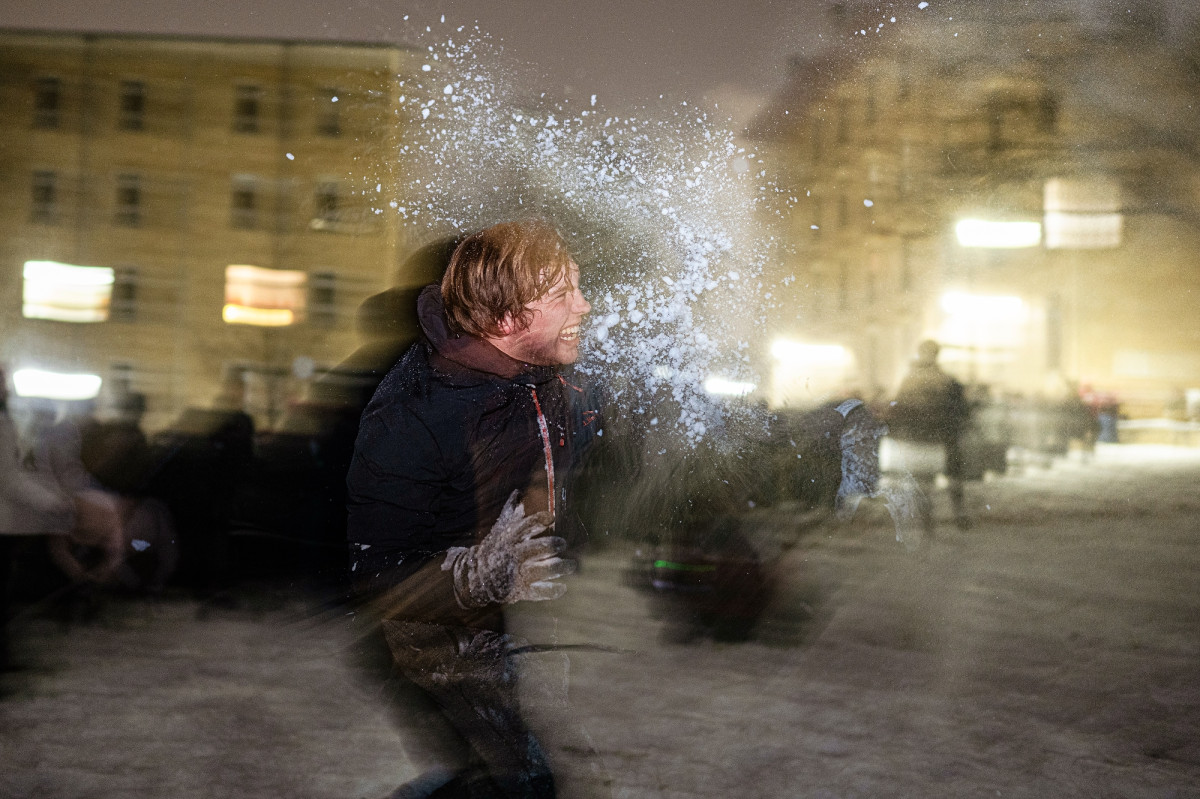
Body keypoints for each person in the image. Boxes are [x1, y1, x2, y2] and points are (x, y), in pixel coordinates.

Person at [346, 219, 598, 799]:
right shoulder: (414, 413)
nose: (584, 306)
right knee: (521, 785)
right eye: (563, 295)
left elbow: (567, 456)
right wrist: (485, 571)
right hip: (421, 632)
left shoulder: (535, 373)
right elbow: (377, 575)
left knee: (508, 781)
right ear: (508, 320)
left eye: (578, 286)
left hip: (489, 623)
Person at [887, 339, 971, 532]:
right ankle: (958, 514)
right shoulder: (947, 380)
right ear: (937, 354)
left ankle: (927, 520)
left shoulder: (908, 380)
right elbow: (961, 410)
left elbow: (898, 408)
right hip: (945, 436)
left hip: (917, 437)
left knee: (922, 479)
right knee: (954, 475)